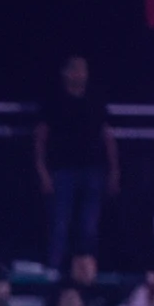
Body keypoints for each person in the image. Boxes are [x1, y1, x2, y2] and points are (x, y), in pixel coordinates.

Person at [35, 56, 118, 269]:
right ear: (65, 73)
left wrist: (114, 169)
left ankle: (86, 273)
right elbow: (41, 137)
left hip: (93, 171)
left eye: (84, 70)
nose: (80, 74)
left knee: (88, 227)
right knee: (59, 225)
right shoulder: (54, 100)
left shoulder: (95, 99)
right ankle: (54, 272)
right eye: (76, 69)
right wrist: (42, 170)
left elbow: (107, 135)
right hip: (62, 171)